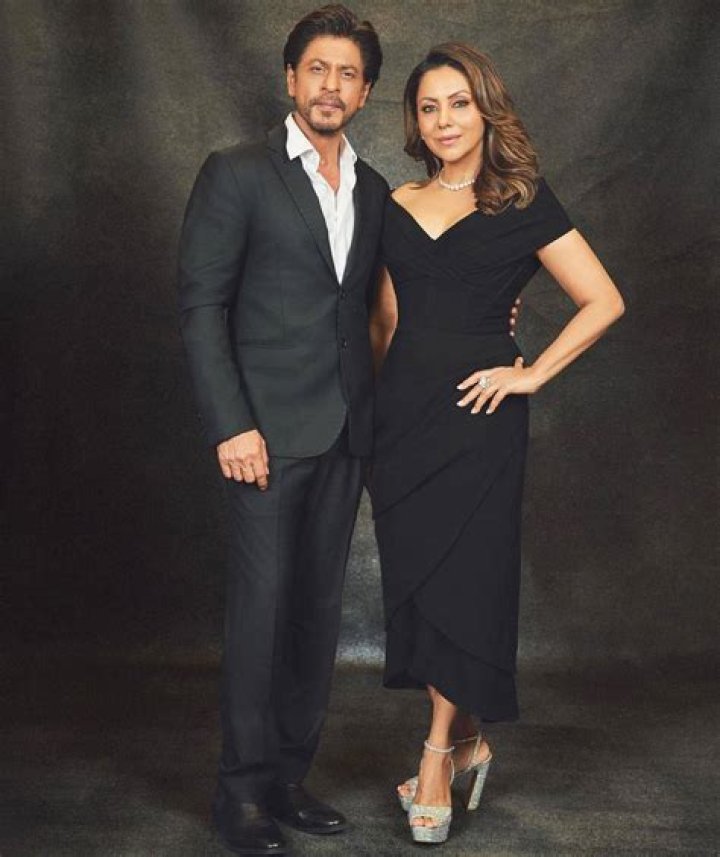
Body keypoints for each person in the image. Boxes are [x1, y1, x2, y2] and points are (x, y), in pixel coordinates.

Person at [368, 43, 625, 845]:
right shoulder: (394, 202)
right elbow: (383, 320)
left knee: (464, 581)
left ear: (485, 110)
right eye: (429, 107)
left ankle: (437, 754)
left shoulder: (523, 200)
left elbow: (602, 299)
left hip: (479, 420)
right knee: (422, 583)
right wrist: (372, 412)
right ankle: (472, 740)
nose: (444, 120)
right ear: (414, 121)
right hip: (401, 421)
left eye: (459, 103)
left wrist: (532, 373)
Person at [178, 6, 387, 855]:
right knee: (261, 616)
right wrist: (232, 424)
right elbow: (201, 308)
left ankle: (287, 779)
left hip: (345, 433)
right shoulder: (237, 173)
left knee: (315, 614)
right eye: (318, 69)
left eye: (348, 74)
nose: (331, 86)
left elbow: (378, 303)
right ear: (290, 78)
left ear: (364, 93)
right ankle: (239, 793)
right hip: (262, 436)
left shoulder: (373, 189)